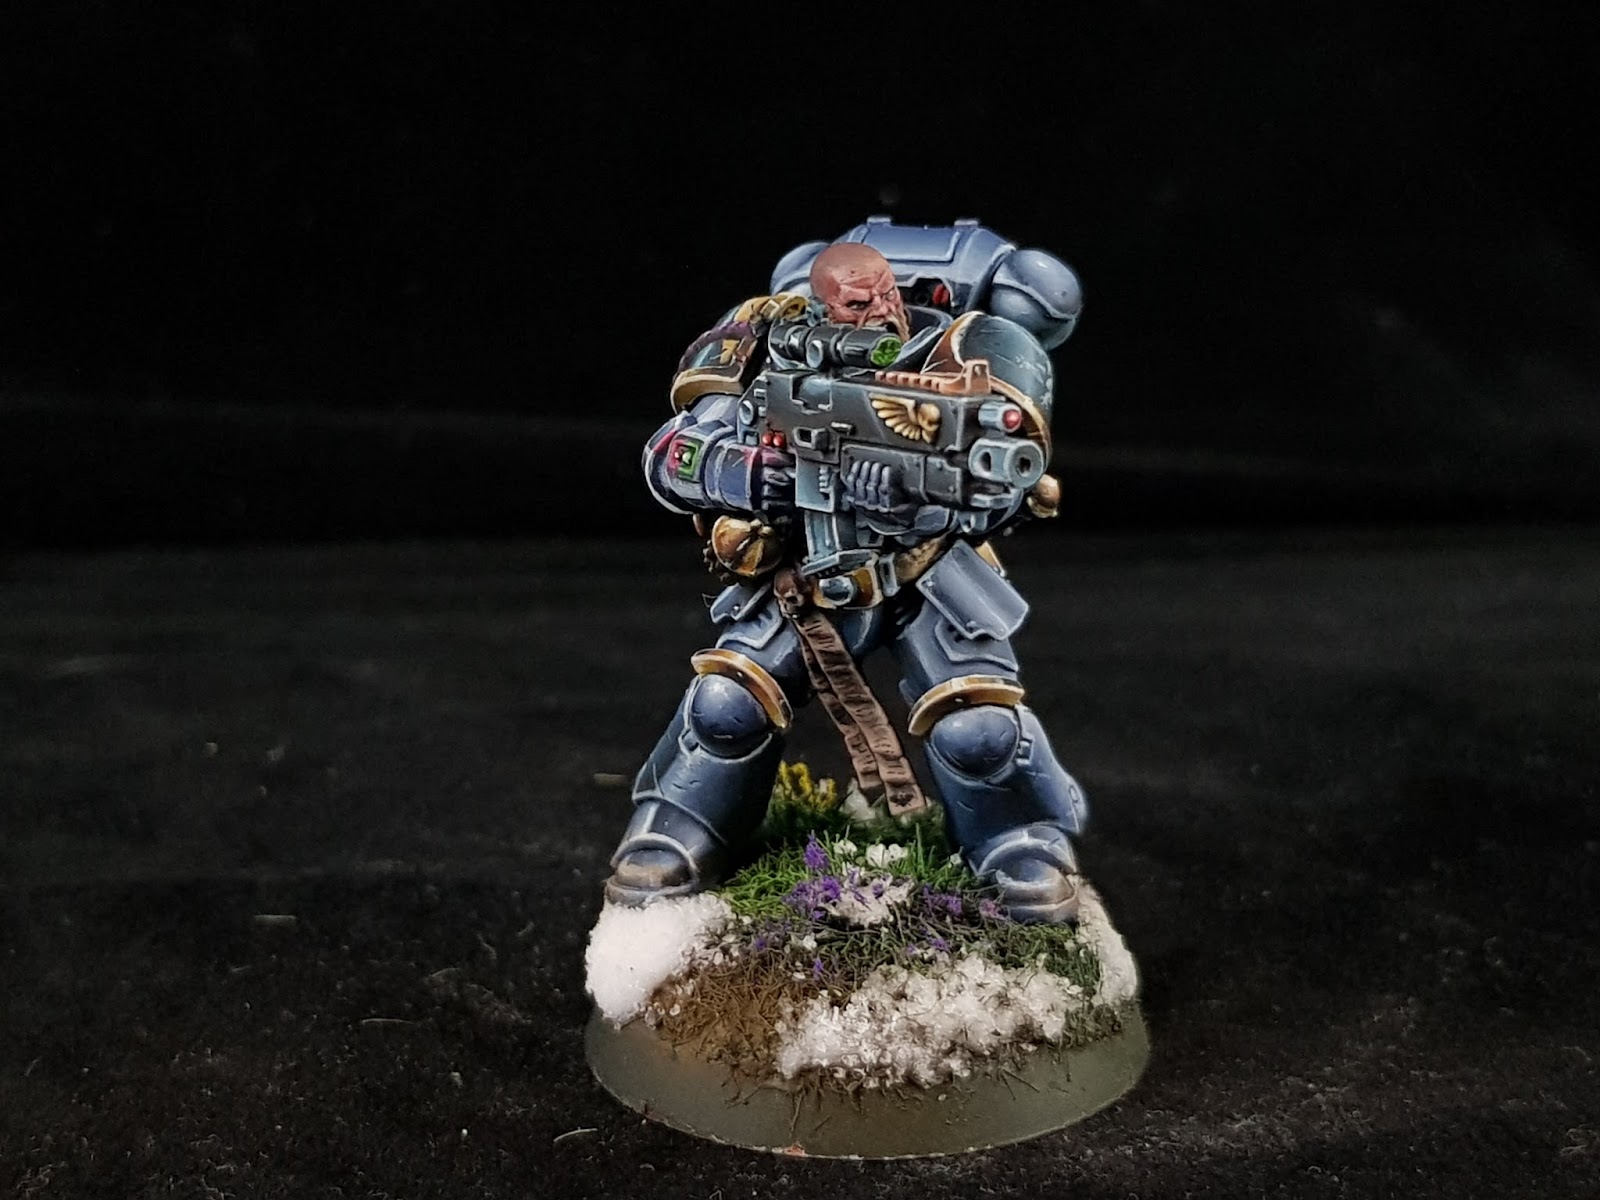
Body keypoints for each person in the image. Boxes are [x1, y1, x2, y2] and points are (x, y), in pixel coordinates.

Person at [606, 234, 1089, 924]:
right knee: (726, 703)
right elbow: (670, 453)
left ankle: (1020, 841)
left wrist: (911, 503)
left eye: (887, 293)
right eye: (858, 303)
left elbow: (1002, 485)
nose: (882, 310)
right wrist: (749, 474)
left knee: (978, 729)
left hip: (925, 576)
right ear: (818, 301)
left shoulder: (961, 358)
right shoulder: (772, 346)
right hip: (804, 573)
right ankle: (678, 824)